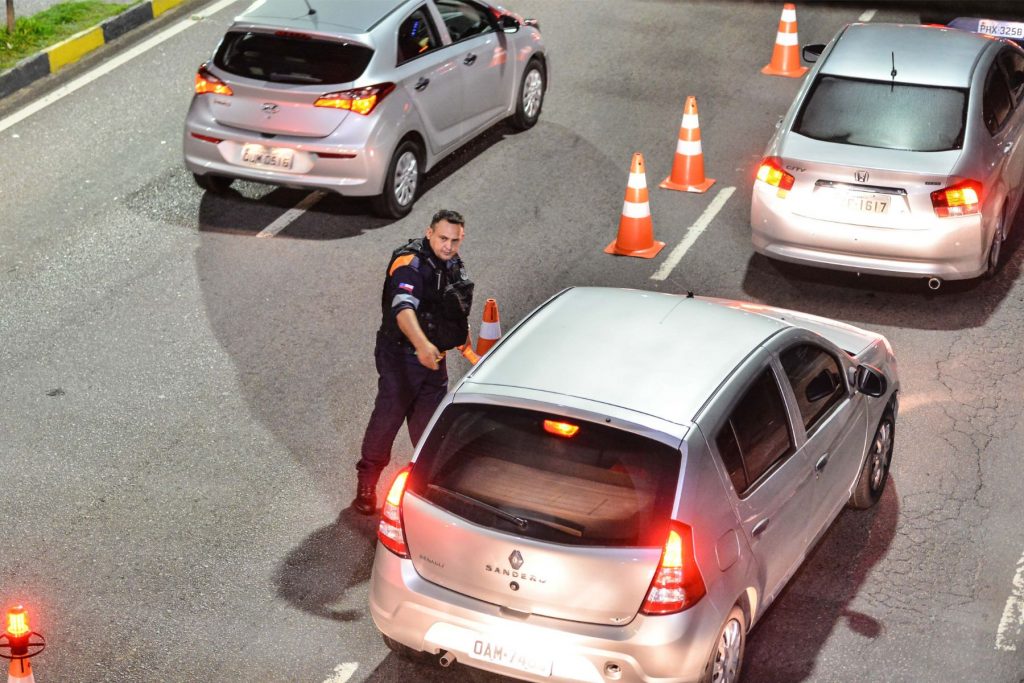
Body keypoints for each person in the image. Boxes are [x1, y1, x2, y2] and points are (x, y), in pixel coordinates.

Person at [352, 209, 474, 515]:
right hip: (402, 356)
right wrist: (421, 345)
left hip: (434, 359)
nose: (448, 245)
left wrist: (461, 338)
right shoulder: (409, 264)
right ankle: (367, 483)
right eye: (443, 238)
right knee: (388, 418)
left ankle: (426, 492)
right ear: (429, 233)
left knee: (431, 429)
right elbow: (402, 309)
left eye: (455, 240)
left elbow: (451, 306)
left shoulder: (452, 262)